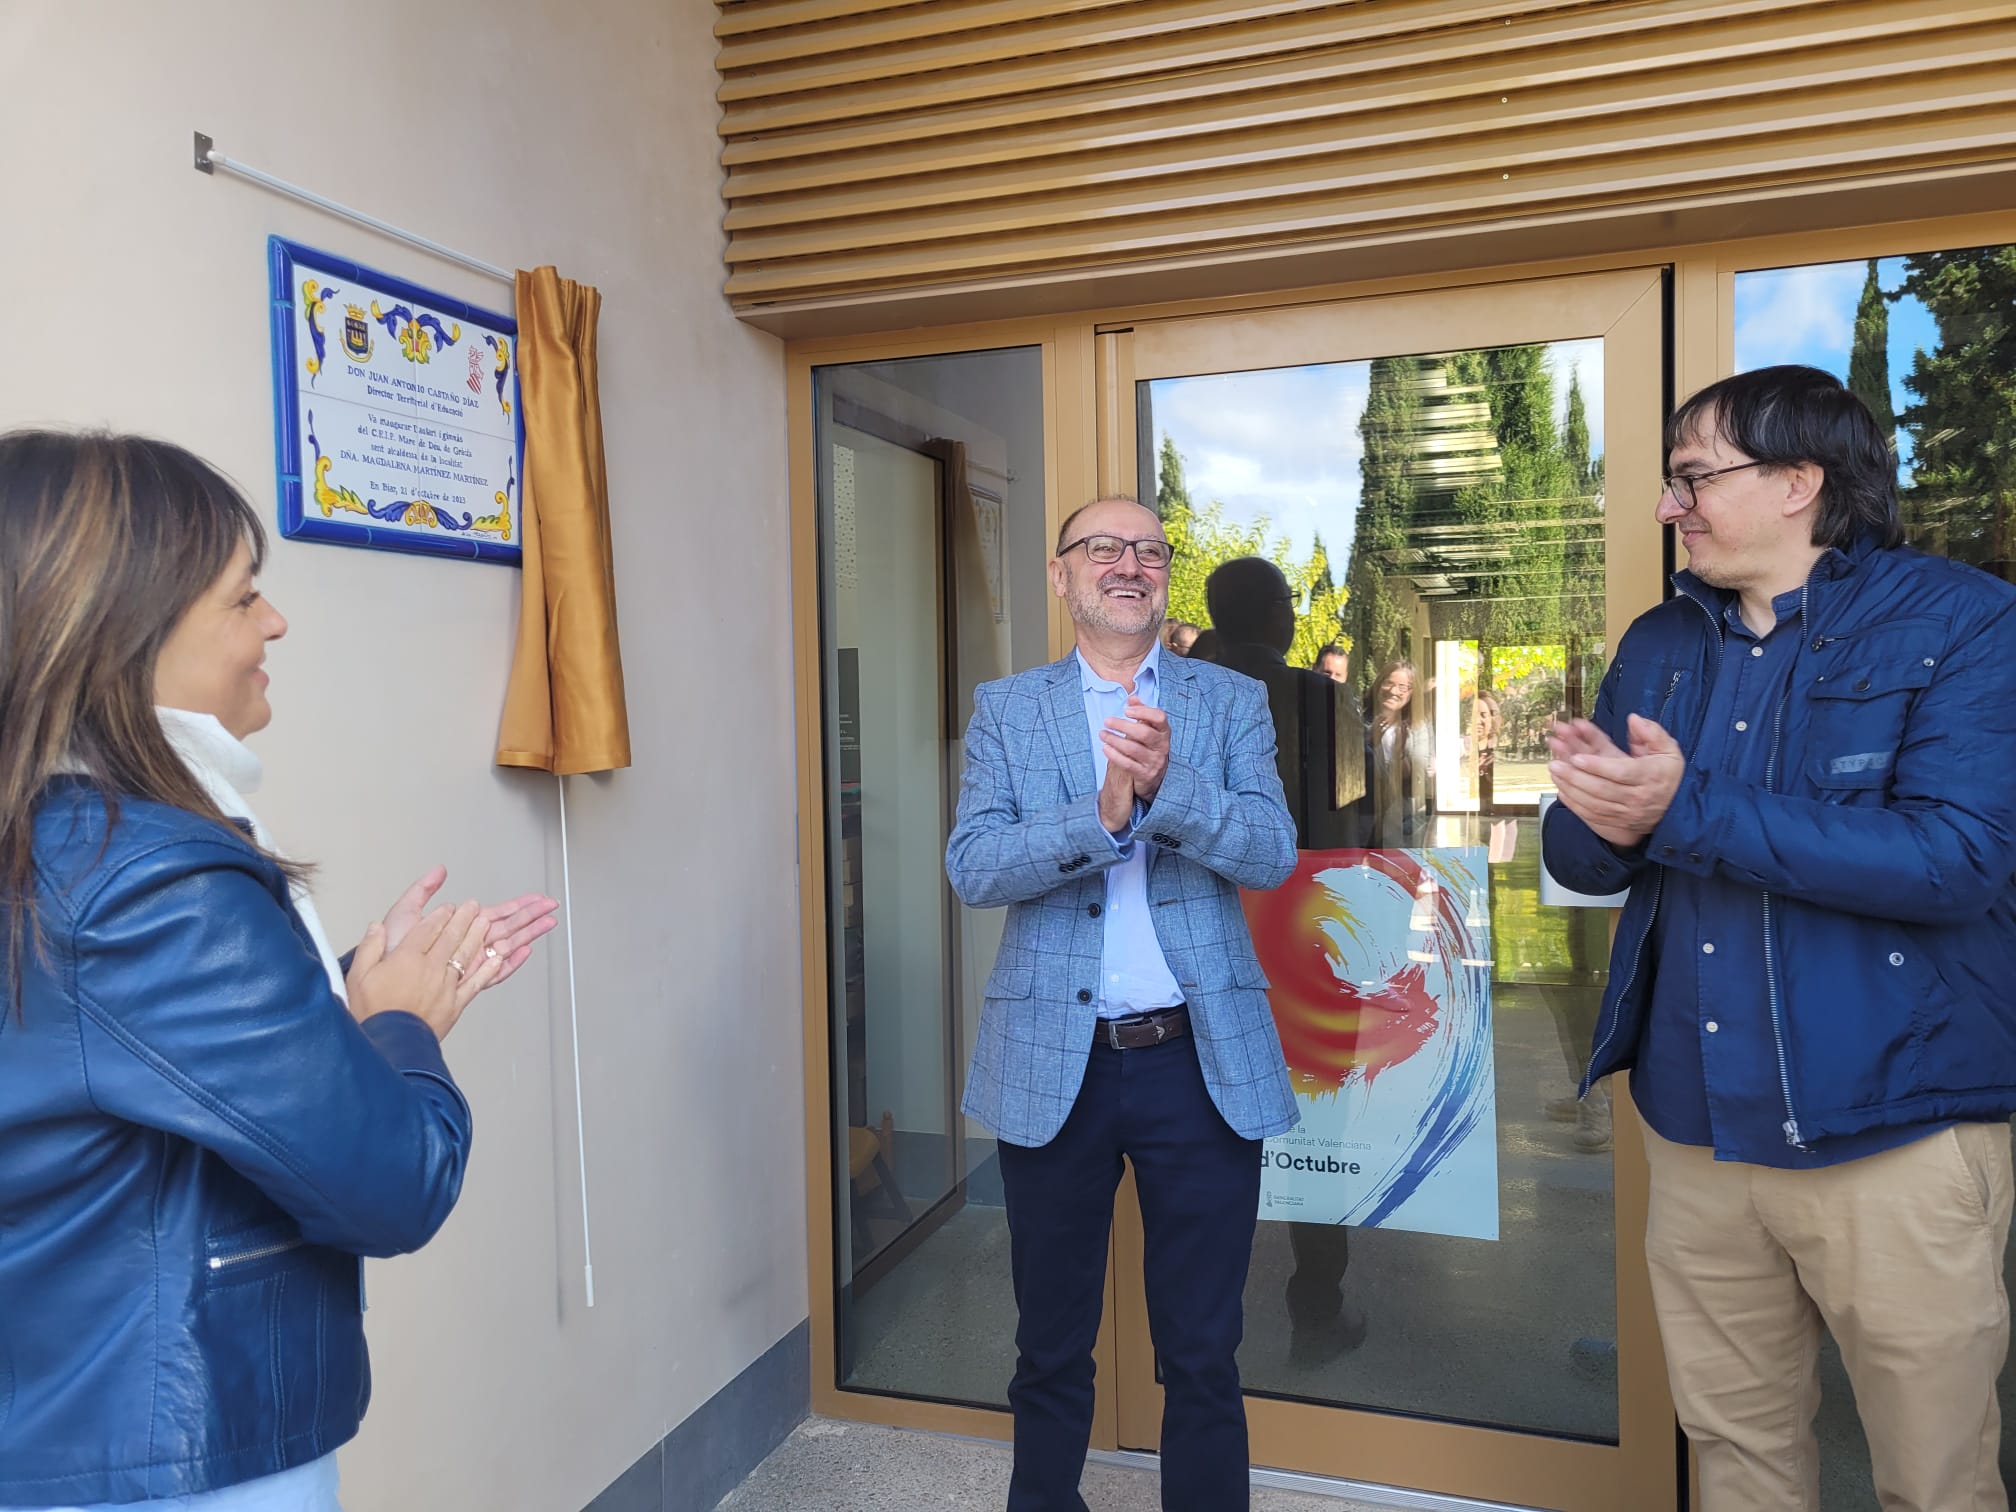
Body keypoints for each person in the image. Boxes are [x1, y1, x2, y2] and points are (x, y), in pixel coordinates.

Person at [0, 431, 558, 1511]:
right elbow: (397, 1182)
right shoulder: (144, 883)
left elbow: (105, 1061)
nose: (275, 624)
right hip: (166, 1460)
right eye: (243, 599)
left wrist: (327, 993)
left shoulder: (52, 848)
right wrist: (398, 1027)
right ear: (125, 635)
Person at [1541, 365, 2016, 1512]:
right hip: (1698, 1135)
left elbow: (1956, 858)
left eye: (1694, 476)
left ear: (1800, 480)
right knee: (1739, 1460)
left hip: (1893, 1133)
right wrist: (1598, 823)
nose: (1670, 505)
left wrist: (1680, 810)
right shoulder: (1662, 638)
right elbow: (1580, 854)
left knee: (1936, 1476)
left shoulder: (1964, 622)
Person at [946, 496, 1297, 1512]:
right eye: (1103, 548)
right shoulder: (1007, 709)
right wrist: (1098, 818)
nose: (1129, 564)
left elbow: (1271, 852)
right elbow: (973, 867)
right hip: (1054, 1062)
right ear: (1061, 577)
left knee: (1202, 1350)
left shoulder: (1229, 703)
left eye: (1148, 549)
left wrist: (1167, 792)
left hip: (1199, 1061)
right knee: (1049, 1346)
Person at [1204, 559, 1368, 1364]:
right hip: (1305, 942)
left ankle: (1200, 1327)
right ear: (1274, 613)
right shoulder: (1320, 699)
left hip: (1197, 945)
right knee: (1318, 1127)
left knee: (1196, 1133)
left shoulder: (1167, 693)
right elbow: (1356, 834)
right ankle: (1316, 1309)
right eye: (1289, 604)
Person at [1362, 657, 1433, 847]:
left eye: (1403, 687)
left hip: (1404, 823)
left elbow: (1418, 780)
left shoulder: (1418, 728)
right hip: (1365, 820)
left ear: (1412, 693)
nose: (1393, 691)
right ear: (1379, 684)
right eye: (1388, 683)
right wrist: (1369, 742)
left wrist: (1400, 754)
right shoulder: (1359, 720)